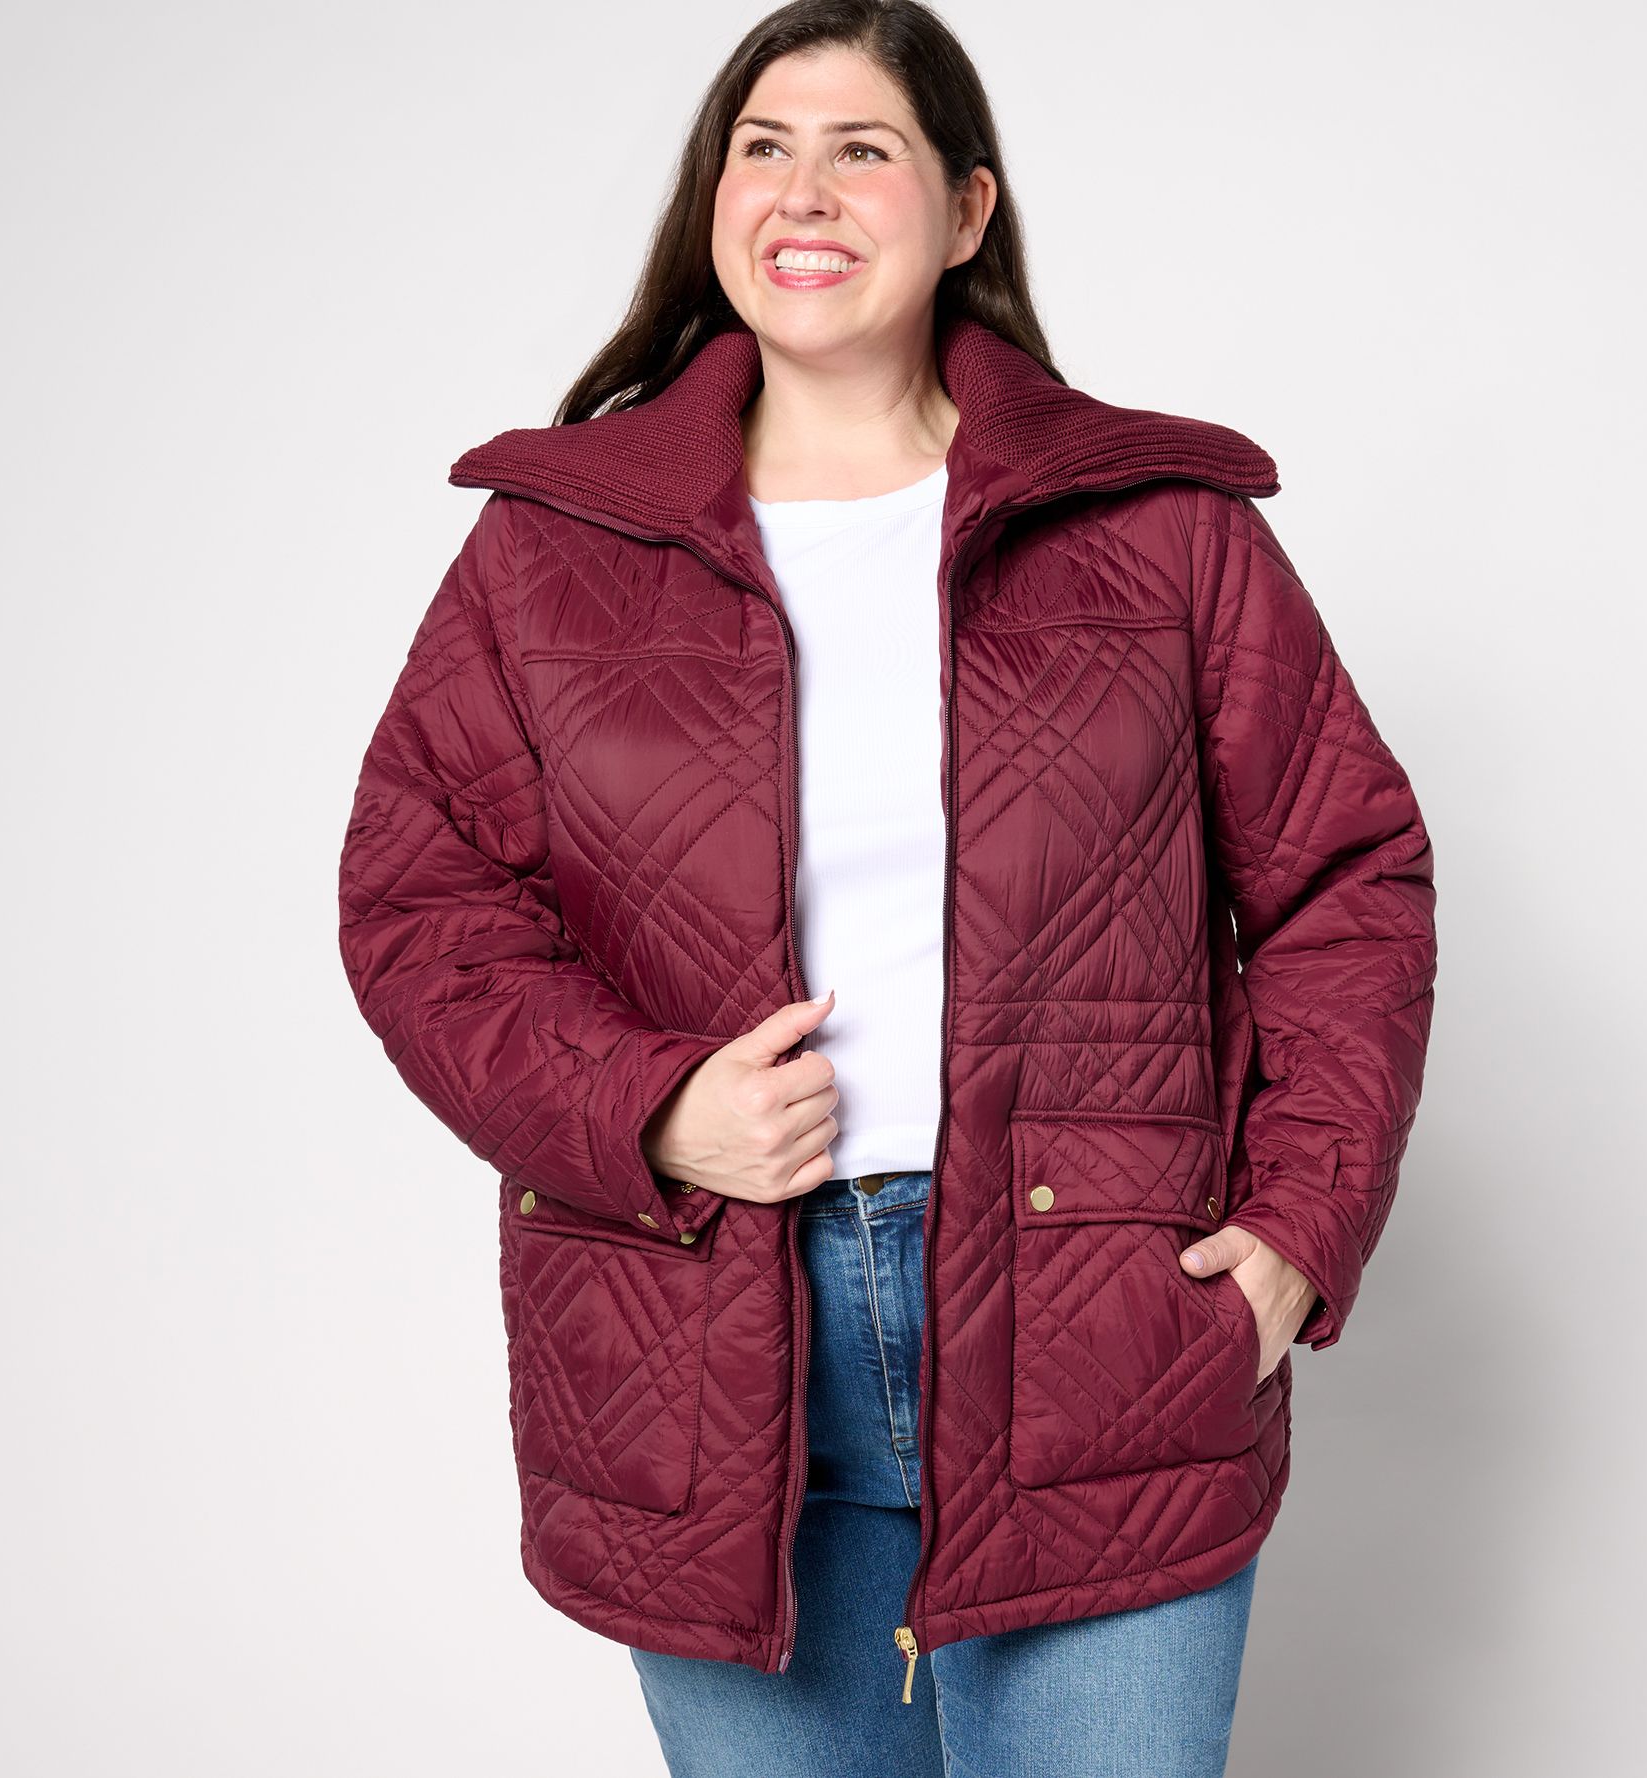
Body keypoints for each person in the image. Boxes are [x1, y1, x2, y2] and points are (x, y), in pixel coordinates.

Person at [336, 3, 1437, 1773]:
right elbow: (422, 902)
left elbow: (1345, 877)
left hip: (1102, 1331)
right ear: (714, 200)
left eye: (864, 150)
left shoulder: (1158, 525)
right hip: (706, 1335)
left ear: (967, 208)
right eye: (764, 149)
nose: (805, 192)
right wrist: (648, 1107)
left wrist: (1304, 1225)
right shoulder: (558, 546)